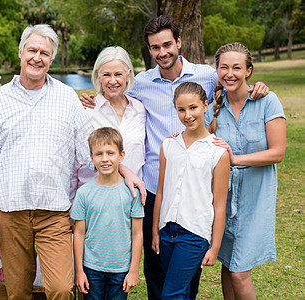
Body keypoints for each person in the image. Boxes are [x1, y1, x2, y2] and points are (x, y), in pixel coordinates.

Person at [80, 15, 269, 299]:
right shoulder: (141, 83)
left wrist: (258, 87)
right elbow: (112, 90)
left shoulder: (206, 75)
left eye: (167, 44)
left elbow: (235, 79)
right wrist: (86, 97)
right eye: (155, 47)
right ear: (149, 50)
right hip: (154, 189)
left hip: (195, 189)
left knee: (186, 269)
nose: (162, 52)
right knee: (156, 265)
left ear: (179, 42)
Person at [0, 24, 95, 300]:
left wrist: (121, 167)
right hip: (11, 211)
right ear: (20, 52)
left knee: (61, 289)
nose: (37, 58)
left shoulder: (67, 98)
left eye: (44, 53)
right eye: (32, 50)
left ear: (51, 59)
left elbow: (89, 153)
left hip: (54, 211)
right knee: (17, 292)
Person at [205, 42, 286, 299]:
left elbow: (278, 152)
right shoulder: (212, 109)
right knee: (229, 264)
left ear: (248, 71)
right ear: (216, 70)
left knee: (240, 273)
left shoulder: (267, 102)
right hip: (223, 201)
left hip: (255, 199)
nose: (230, 73)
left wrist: (235, 159)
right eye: (224, 67)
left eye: (237, 68)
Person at [151, 82, 230, 299]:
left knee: (171, 294)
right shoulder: (168, 146)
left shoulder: (217, 152)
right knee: (185, 291)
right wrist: (156, 230)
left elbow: (219, 204)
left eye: (193, 108)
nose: (188, 115)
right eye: (181, 109)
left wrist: (214, 247)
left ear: (205, 105)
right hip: (167, 231)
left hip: (195, 234)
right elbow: (161, 192)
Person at [71, 127, 144, 299]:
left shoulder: (132, 193)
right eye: (99, 154)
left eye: (110, 153)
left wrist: (133, 270)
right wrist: (79, 271)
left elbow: (138, 233)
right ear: (91, 158)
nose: (105, 159)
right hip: (91, 268)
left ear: (122, 155)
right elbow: (79, 233)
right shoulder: (84, 193)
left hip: (121, 269)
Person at [71, 46, 146, 194]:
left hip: (132, 199)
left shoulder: (140, 109)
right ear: (98, 75)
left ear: (128, 74)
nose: (113, 81)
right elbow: (74, 164)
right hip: (94, 200)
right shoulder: (86, 110)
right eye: (106, 75)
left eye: (118, 74)